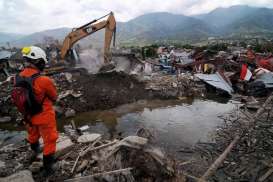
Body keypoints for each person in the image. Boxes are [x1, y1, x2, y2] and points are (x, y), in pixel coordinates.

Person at [19, 46, 58, 176]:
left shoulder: (18, 77)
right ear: (39, 62)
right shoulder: (44, 80)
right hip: (44, 116)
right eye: (43, 62)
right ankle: (48, 169)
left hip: (27, 116)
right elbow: (54, 97)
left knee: (33, 135)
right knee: (50, 140)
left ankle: (35, 153)